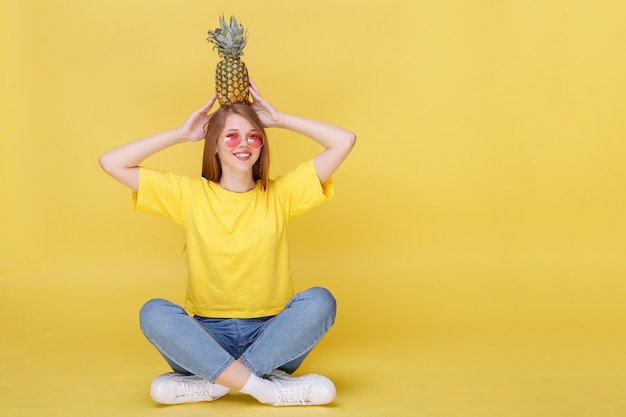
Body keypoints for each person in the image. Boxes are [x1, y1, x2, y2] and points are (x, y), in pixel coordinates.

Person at [98, 79, 356, 407]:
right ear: (214, 145)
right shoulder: (189, 195)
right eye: (231, 135)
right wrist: (181, 134)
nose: (243, 144)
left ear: (262, 145)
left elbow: (343, 141)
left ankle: (216, 384)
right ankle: (265, 389)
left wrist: (279, 119)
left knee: (320, 301)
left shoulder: (281, 194)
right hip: (205, 341)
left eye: (253, 136)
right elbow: (111, 162)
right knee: (154, 313)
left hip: (274, 339)